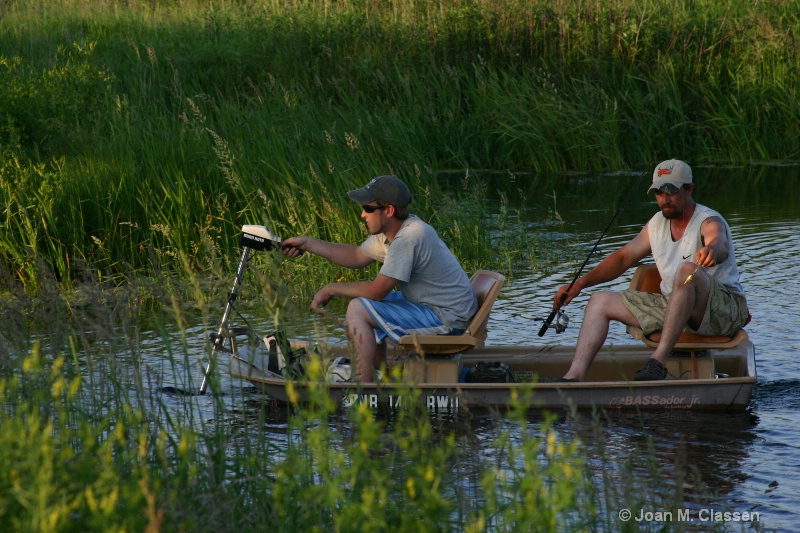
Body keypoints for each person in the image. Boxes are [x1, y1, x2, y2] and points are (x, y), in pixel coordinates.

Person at [550, 159, 749, 382]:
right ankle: (573, 378)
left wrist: (712, 249)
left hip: (722, 311)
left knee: (686, 271)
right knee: (599, 301)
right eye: (658, 192)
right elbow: (623, 257)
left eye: (671, 191)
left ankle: (657, 362)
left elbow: (718, 240)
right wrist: (579, 284)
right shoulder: (656, 224)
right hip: (676, 306)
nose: (664, 199)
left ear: (689, 190)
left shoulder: (708, 220)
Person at [281, 175, 478, 382]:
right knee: (368, 305)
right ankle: (381, 376)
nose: (362, 214)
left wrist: (331, 288)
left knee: (358, 308)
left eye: (368, 208)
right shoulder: (395, 232)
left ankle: (364, 388)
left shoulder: (407, 239)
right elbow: (356, 256)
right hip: (440, 309)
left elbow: (377, 290)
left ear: (389, 211)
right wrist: (307, 244)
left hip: (447, 319)